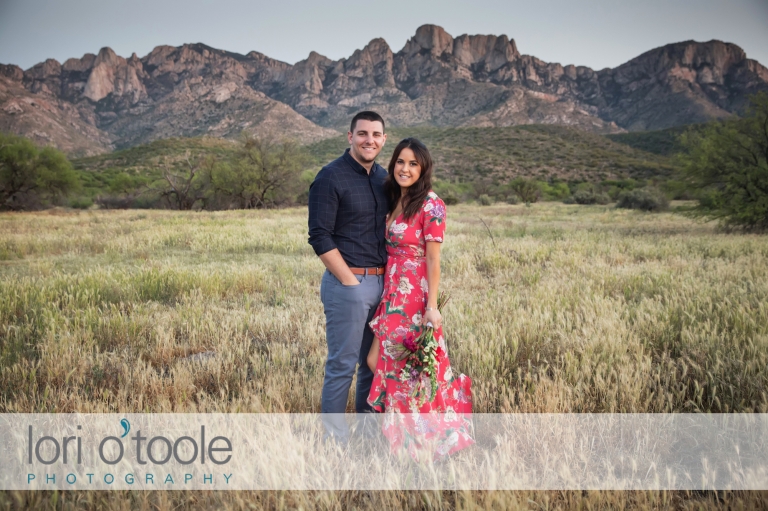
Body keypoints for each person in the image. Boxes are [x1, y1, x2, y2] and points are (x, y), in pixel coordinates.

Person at [365, 137, 473, 461]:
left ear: (423, 168)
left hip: (413, 299)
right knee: (381, 363)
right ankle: (408, 439)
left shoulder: (431, 204)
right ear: (393, 163)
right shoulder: (394, 198)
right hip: (392, 292)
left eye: (413, 163)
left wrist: (431, 308)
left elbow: (433, 260)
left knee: (409, 372)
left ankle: (419, 446)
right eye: (401, 161)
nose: (406, 168)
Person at [308, 111, 389, 443]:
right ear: (349, 136)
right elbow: (320, 236)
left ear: (384, 139)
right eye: (363, 134)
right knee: (342, 366)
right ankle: (335, 441)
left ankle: (368, 435)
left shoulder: (384, 178)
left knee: (373, 365)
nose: (369, 140)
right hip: (348, 284)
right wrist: (350, 283)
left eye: (376, 134)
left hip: (383, 284)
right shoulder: (330, 177)